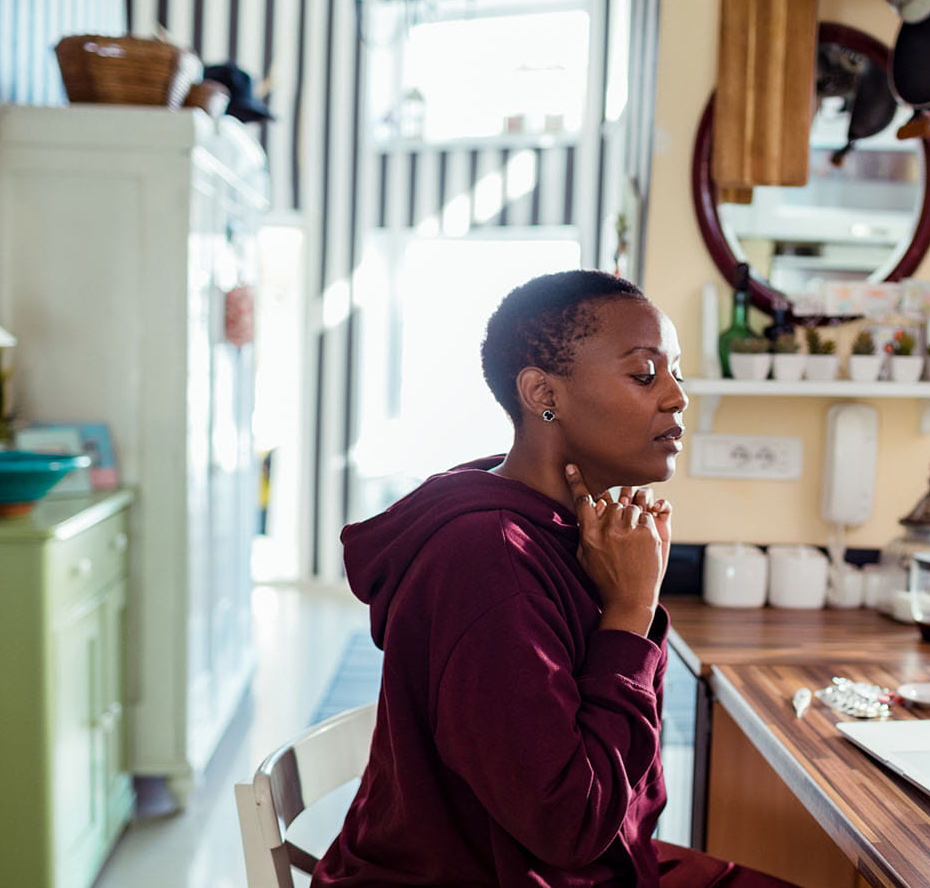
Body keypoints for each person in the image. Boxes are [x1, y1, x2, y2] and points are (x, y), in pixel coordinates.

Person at [313, 271, 800, 887]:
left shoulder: (566, 531)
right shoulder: (488, 559)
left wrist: (629, 601)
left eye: (676, 373)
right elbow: (571, 826)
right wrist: (630, 611)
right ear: (544, 392)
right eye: (645, 374)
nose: (677, 397)